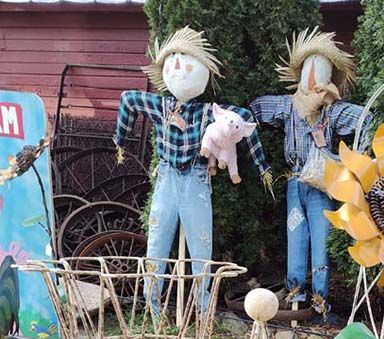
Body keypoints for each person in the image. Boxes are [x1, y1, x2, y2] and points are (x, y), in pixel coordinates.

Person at [113, 26, 272, 314]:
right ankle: (153, 309)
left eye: (186, 65)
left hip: (197, 179)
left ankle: (202, 310)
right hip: (167, 178)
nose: (178, 70)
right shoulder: (161, 106)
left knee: (201, 248)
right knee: (156, 245)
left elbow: (244, 119)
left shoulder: (208, 112)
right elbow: (128, 100)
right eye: (173, 64)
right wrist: (120, 140)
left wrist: (262, 166)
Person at [250, 28, 372, 322]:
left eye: (321, 72)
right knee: (296, 240)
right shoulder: (286, 106)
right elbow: (252, 110)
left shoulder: (335, 112)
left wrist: (358, 160)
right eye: (309, 70)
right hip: (295, 183)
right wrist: (256, 155)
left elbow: (368, 118)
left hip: (321, 186)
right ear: (301, 73)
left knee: (321, 242)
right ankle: (295, 304)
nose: (314, 78)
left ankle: (319, 307)